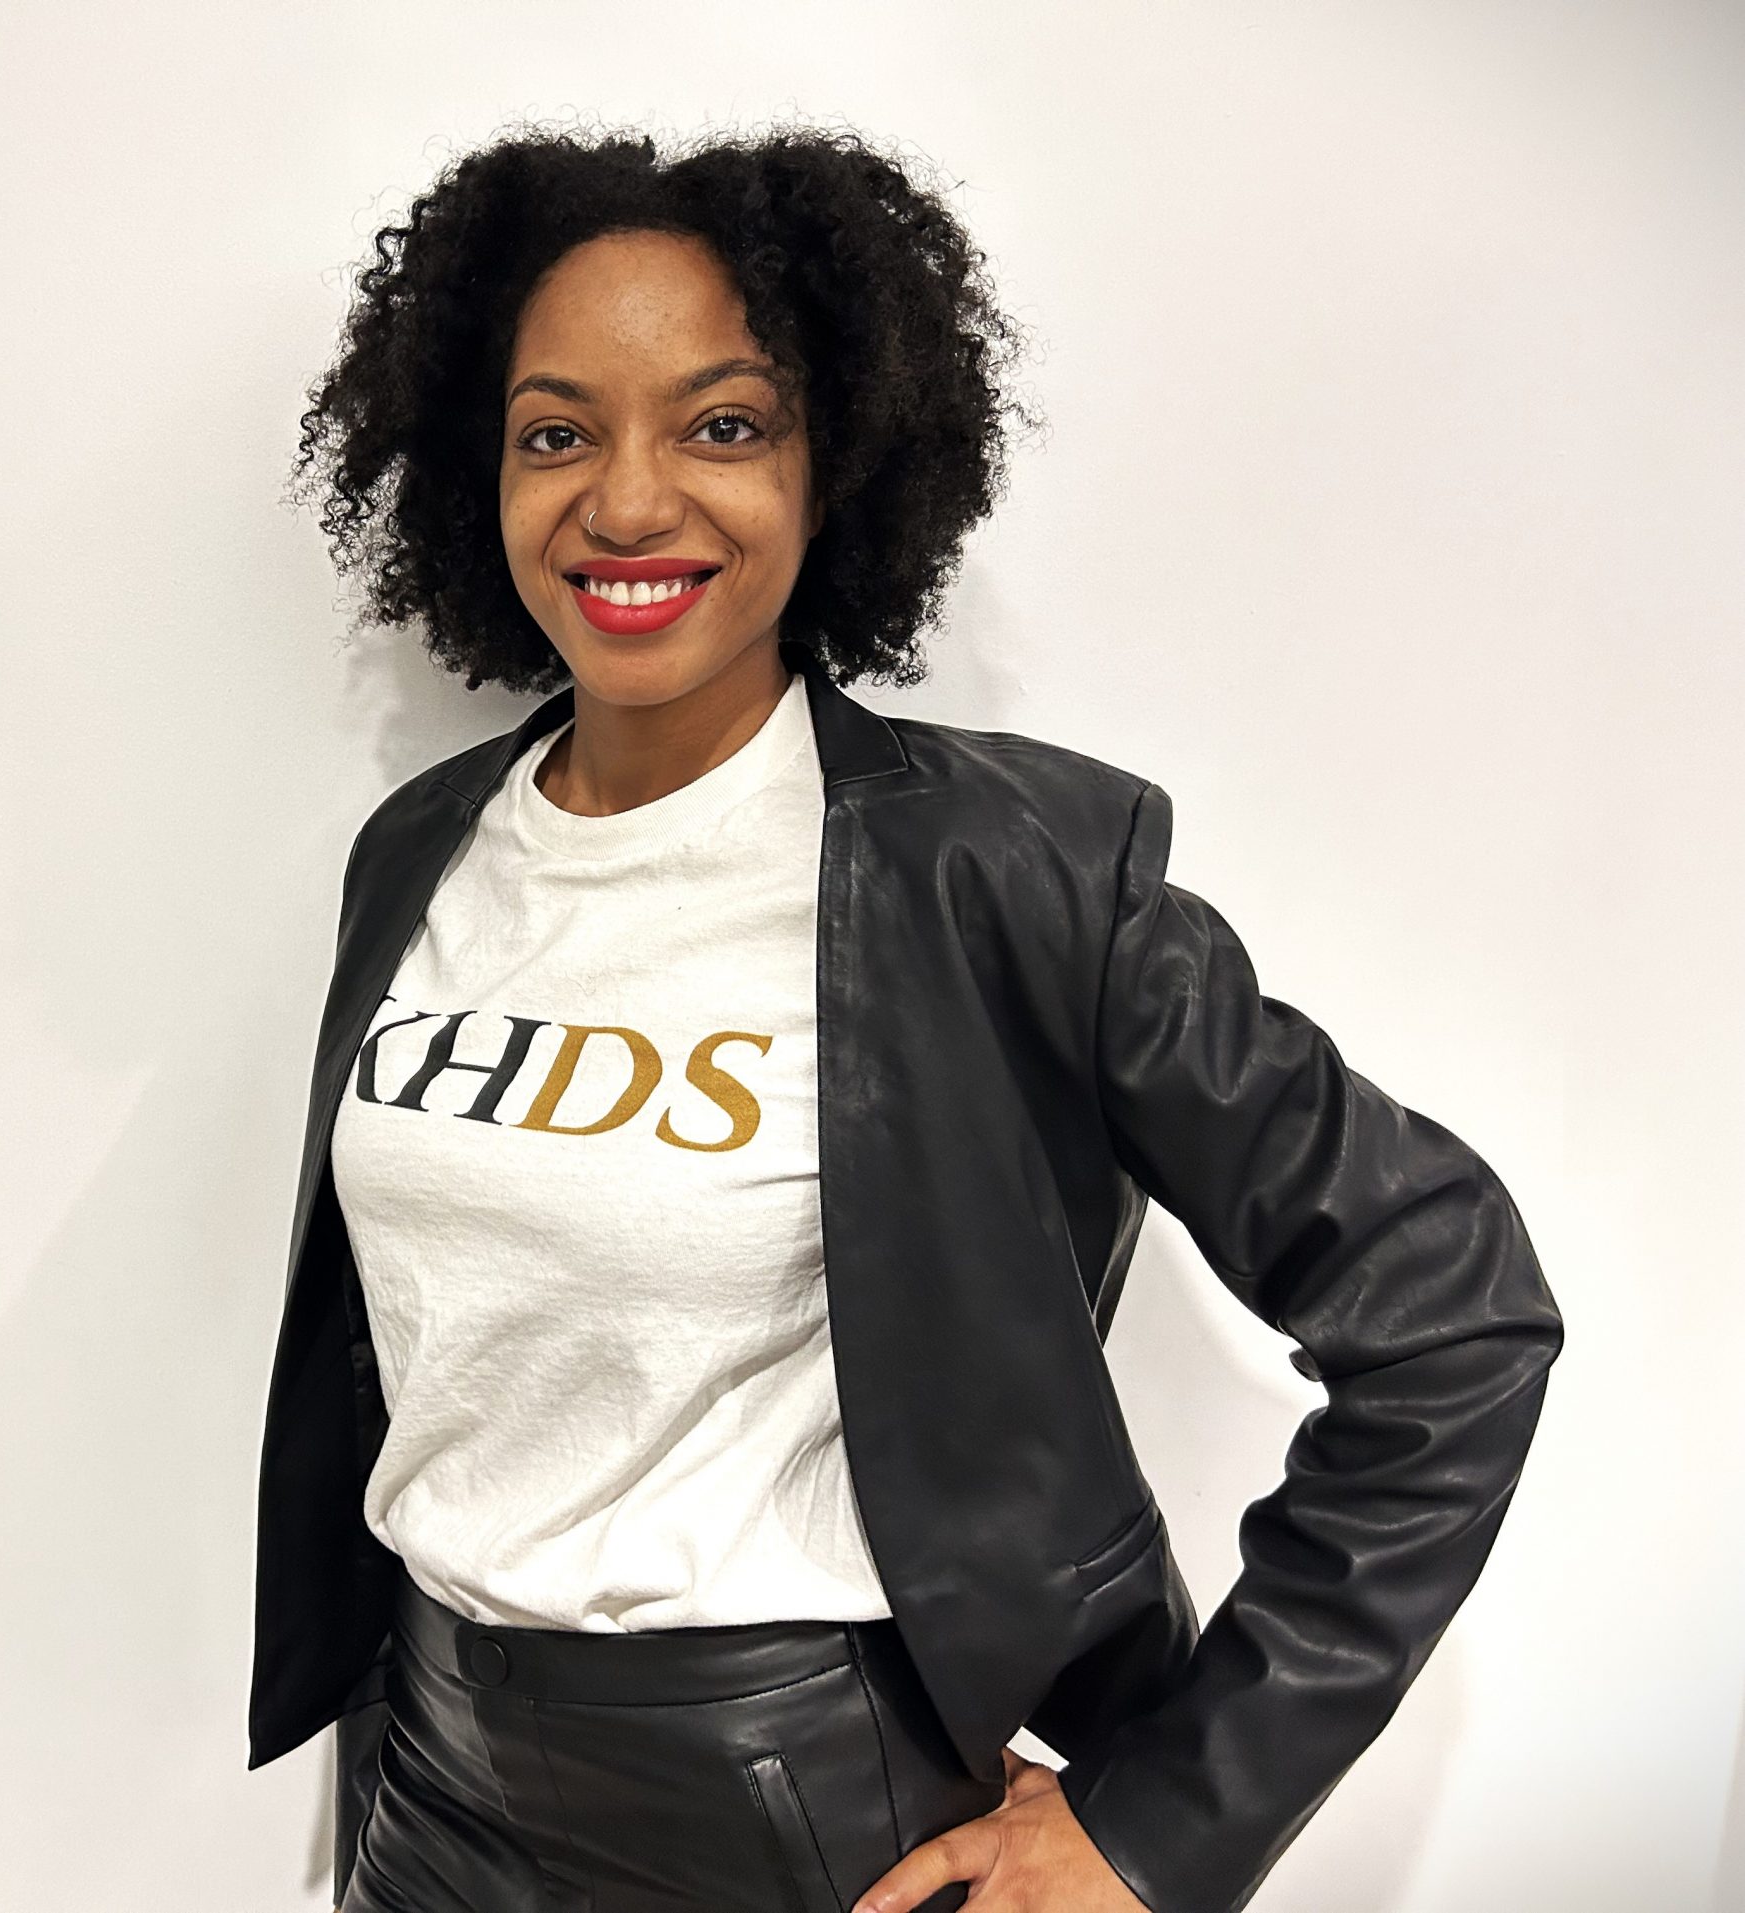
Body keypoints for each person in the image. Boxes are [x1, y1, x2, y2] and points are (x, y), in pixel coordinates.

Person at [248, 127, 1561, 1913]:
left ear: (835, 465)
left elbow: (1450, 1308)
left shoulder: (1003, 868)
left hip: (801, 1820)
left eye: (721, 425)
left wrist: (1160, 1824)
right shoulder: (421, 847)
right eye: (556, 432)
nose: (625, 502)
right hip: (432, 1798)